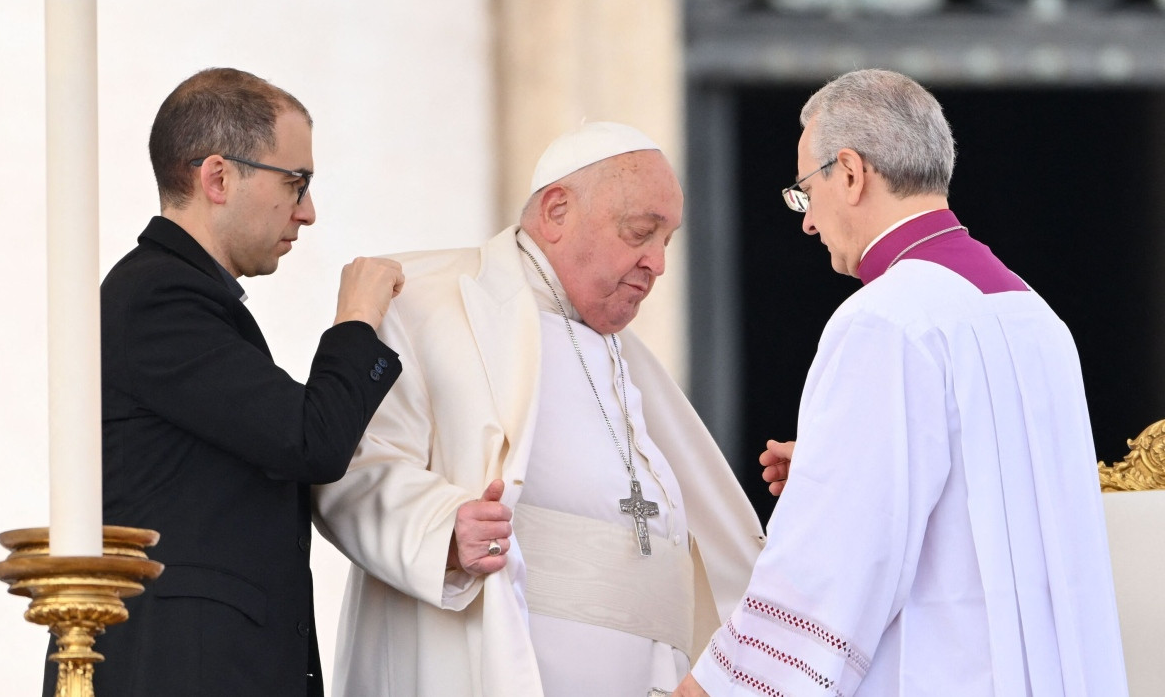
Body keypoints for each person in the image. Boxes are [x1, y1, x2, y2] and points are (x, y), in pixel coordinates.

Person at [676, 69, 1128, 696]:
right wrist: (838, 462)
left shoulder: (886, 320)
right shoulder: (1037, 317)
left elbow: (833, 569)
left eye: (806, 190)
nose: (807, 222)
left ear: (852, 173)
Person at [312, 122, 765, 696]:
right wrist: (443, 527)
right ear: (556, 211)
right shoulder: (422, 299)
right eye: (640, 232)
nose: (658, 263)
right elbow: (346, 467)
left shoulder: (634, 364)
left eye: (667, 241)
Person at [43, 67, 405, 697]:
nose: (309, 212)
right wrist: (357, 324)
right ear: (217, 178)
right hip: (178, 670)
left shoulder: (184, 296)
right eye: (296, 182)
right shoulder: (158, 296)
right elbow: (309, 440)